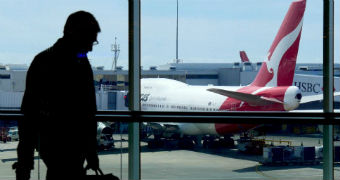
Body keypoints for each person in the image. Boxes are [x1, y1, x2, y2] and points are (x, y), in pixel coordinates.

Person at [15, 11, 101, 180]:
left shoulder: (44, 60)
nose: (91, 47)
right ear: (74, 34)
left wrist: (25, 161)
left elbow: (29, 114)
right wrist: (91, 151)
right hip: (68, 143)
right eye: (89, 40)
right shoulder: (81, 65)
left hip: (52, 142)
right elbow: (89, 111)